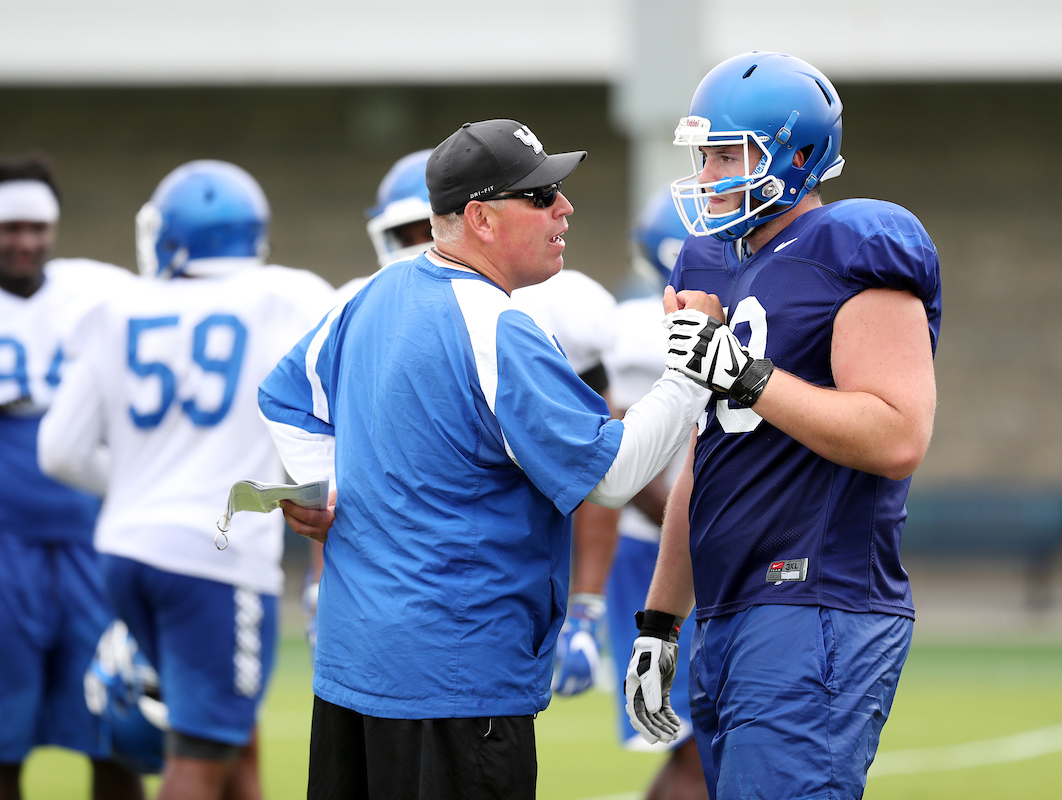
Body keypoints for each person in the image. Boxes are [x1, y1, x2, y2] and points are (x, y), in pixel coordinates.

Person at [258, 118, 718, 800]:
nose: (564, 209)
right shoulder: (498, 327)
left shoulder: (366, 297)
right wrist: (690, 373)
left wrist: (321, 487)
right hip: (457, 677)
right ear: (480, 217)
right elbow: (615, 475)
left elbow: (283, 396)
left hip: (355, 666)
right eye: (540, 196)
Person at [623, 52, 941, 800]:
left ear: (800, 157)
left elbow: (898, 436)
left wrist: (744, 374)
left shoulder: (854, 244)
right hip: (730, 609)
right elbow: (707, 459)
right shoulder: (708, 260)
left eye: (730, 153)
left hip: (816, 602)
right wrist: (661, 621)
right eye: (703, 154)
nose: (708, 175)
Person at [37, 160, 336, 800]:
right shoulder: (288, 296)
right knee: (200, 752)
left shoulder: (114, 308)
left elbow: (60, 451)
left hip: (124, 550)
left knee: (226, 728)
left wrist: (140, 488)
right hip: (215, 556)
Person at [302, 149, 624, 680]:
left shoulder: (541, 305)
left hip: (488, 610)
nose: (421, 248)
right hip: (406, 615)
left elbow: (595, 460)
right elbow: (334, 473)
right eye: (410, 232)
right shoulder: (358, 310)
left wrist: (587, 604)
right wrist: (322, 589)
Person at [0, 155, 143, 800]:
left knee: (116, 732)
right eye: (8, 229)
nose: (24, 241)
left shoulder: (96, 294)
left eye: (36, 227)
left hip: (93, 544)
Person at [594, 188, 707, 800]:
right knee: (699, 747)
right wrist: (693, 523)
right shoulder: (640, 326)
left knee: (704, 744)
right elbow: (618, 456)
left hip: (660, 548)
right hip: (655, 554)